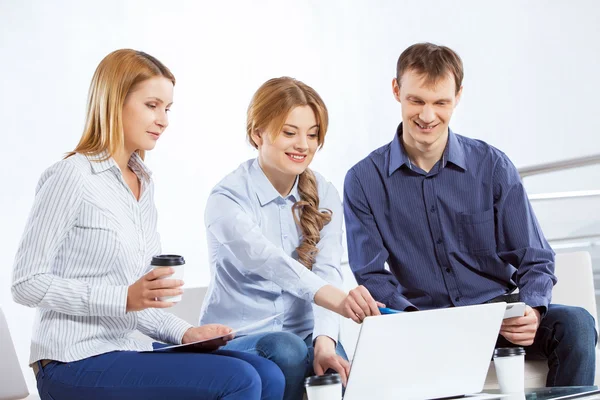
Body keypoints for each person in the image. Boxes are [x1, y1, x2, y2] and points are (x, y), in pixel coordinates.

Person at [11, 49, 285, 400]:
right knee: (240, 379)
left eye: (167, 109)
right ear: (114, 103)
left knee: (268, 373)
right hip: (71, 360)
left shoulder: (142, 183)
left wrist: (187, 333)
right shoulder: (72, 176)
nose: (164, 120)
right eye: (152, 105)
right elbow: (26, 283)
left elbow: (141, 303)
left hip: (129, 348)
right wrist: (122, 298)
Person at [343, 42, 597, 386]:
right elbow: (371, 274)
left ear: (458, 96)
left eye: (440, 103)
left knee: (577, 324)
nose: (427, 116)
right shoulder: (363, 180)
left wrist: (533, 311)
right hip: (423, 325)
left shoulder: (491, 166)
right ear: (396, 90)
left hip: (498, 316)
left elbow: (534, 257)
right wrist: (414, 320)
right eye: (416, 100)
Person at [200, 77, 382, 400]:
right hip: (240, 337)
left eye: (312, 134)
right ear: (258, 134)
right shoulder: (226, 198)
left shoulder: (323, 193)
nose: (303, 144)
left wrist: (324, 341)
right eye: (289, 132)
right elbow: (270, 263)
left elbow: (327, 270)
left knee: (337, 368)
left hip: (303, 336)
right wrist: (340, 302)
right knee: (286, 351)